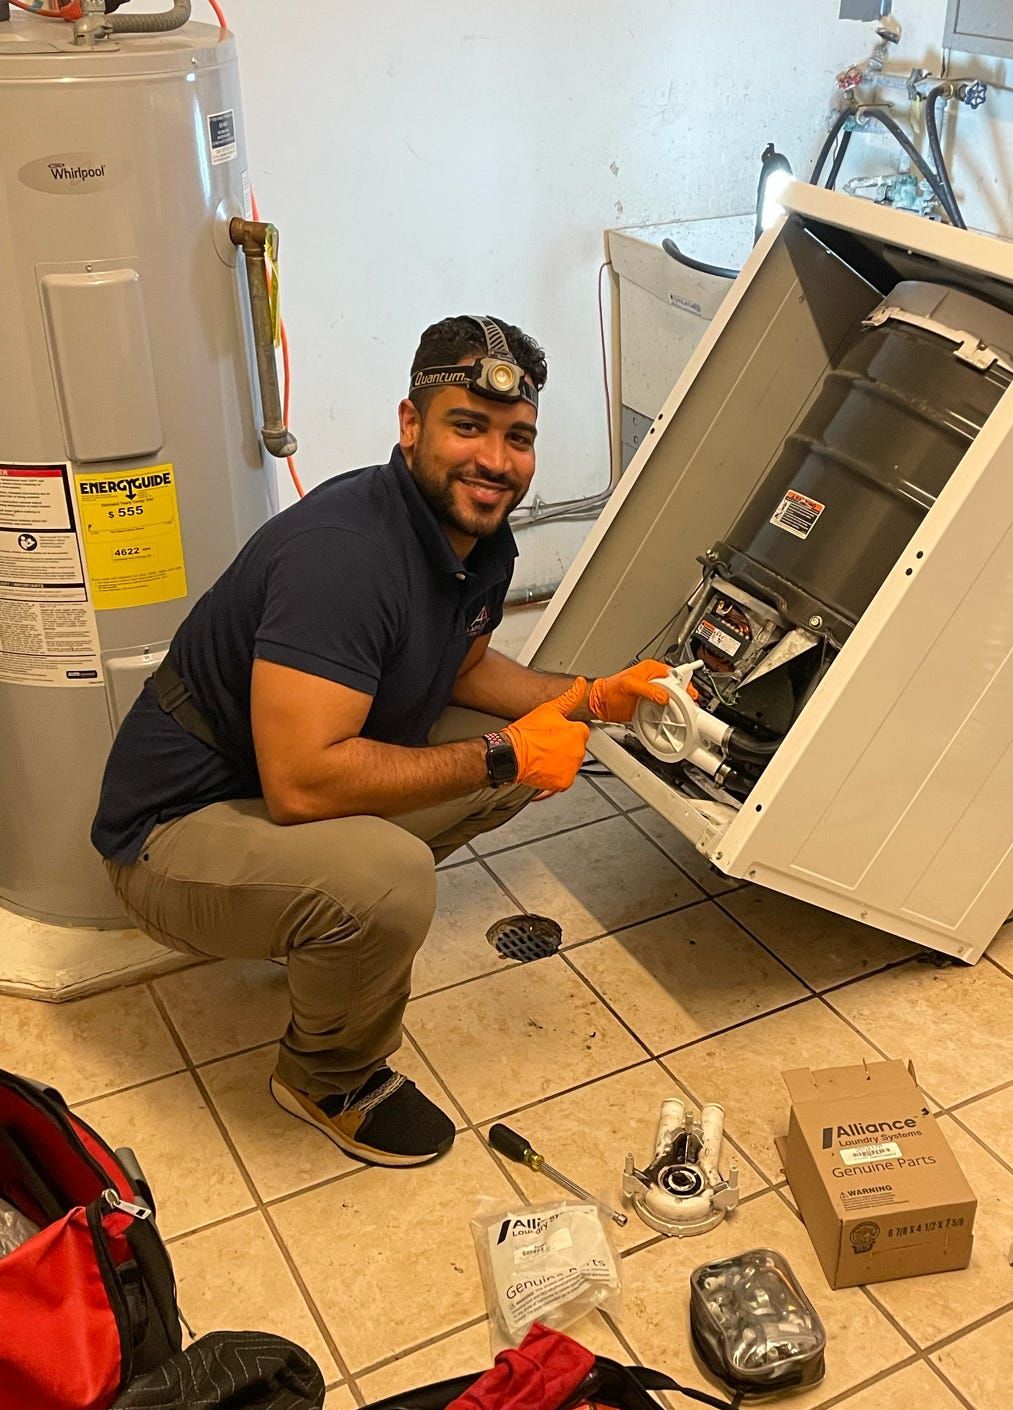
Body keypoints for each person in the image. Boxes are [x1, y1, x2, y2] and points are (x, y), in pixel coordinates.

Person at [92, 315, 676, 1169]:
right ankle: (329, 1076)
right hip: (172, 834)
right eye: (467, 427)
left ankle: (325, 929)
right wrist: (507, 755)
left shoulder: (476, 536)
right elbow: (299, 785)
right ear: (411, 426)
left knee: (522, 738)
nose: (494, 461)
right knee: (388, 881)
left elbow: (465, 668)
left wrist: (592, 697)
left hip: (268, 787)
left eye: (518, 439)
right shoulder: (346, 556)